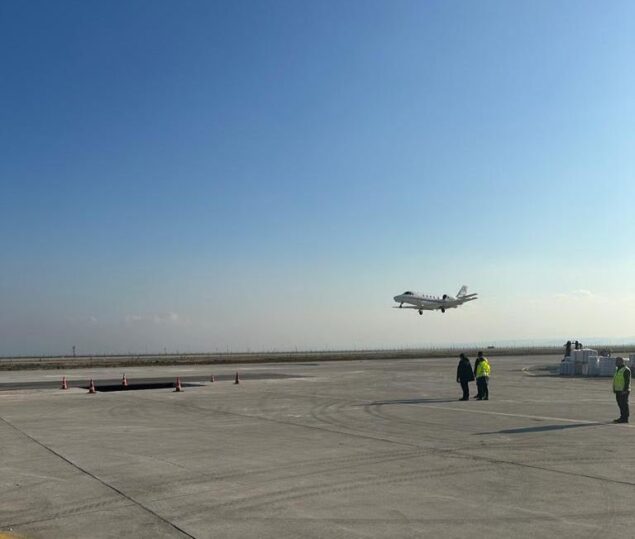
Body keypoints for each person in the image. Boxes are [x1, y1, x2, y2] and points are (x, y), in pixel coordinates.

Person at [613, 357, 631, 424]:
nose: (615, 363)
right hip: (618, 390)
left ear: (621, 362)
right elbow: (616, 380)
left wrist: (625, 390)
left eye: (617, 361)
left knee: (624, 405)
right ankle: (622, 417)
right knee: (620, 404)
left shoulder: (626, 370)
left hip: (623, 391)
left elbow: (627, 381)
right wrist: (614, 388)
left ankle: (625, 418)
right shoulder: (618, 369)